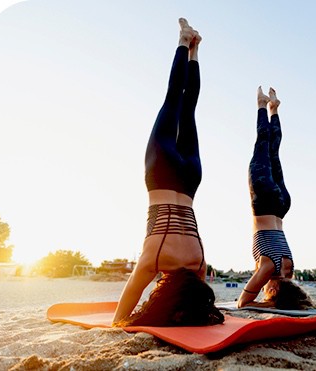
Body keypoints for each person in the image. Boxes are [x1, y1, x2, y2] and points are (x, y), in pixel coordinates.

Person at [112, 18, 224, 327]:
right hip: (161, 173)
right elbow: (123, 310)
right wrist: (120, 323)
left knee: (187, 109)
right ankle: (182, 40)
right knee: (173, 100)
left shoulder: (200, 264)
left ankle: (195, 51)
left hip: (190, 180)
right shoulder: (154, 261)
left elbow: (204, 295)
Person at [237, 87, 316, 310]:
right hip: (264, 200)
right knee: (262, 144)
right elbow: (243, 303)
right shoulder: (267, 267)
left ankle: (274, 109)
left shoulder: (288, 266)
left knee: (274, 152)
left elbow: (285, 291)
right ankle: (262, 105)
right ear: (272, 291)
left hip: (282, 205)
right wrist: (268, 305)